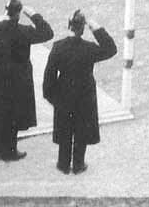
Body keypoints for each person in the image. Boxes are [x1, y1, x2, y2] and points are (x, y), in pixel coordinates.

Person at [42, 10, 117, 175]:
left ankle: (63, 164)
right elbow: (111, 49)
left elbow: (49, 75)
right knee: (81, 131)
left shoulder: (58, 47)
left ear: (69, 25)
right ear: (83, 29)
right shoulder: (89, 49)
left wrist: (52, 96)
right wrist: (96, 28)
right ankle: (78, 164)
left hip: (63, 94)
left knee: (65, 131)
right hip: (84, 94)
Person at [0, 0, 53, 162]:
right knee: (13, 117)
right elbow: (48, 33)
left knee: (0, 115)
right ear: (18, 14)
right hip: (18, 81)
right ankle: (10, 150)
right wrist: (34, 15)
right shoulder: (24, 32)